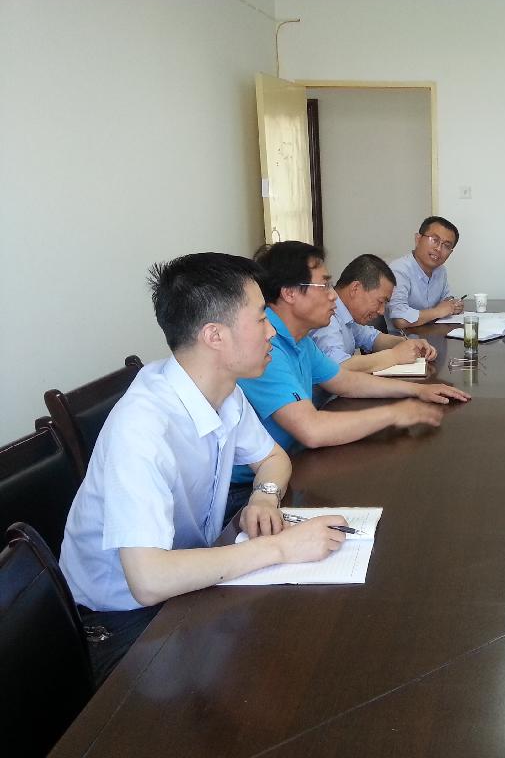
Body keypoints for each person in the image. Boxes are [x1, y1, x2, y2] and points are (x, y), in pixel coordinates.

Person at [59, 253, 350, 682]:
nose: (272, 330)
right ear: (215, 335)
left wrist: (264, 497)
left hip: (189, 573)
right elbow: (148, 579)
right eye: (260, 319)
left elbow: (272, 458)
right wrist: (282, 548)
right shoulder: (142, 427)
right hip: (121, 618)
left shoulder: (222, 390)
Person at [231, 241, 470, 493]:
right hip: (251, 487)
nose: (333, 295)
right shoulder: (265, 344)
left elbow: (345, 381)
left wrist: (417, 390)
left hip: (290, 463)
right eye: (324, 286)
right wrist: (394, 413)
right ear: (289, 293)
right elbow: (312, 430)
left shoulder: (300, 339)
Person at [310, 253, 437, 372]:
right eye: (380, 301)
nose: (382, 311)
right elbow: (337, 367)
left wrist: (408, 343)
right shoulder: (327, 316)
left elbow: (372, 338)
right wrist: (394, 356)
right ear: (355, 289)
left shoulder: (347, 315)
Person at [387, 216, 464, 330]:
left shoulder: (441, 270)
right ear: (418, 239)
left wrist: (453, 305)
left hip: (431, 334)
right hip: (402, 338)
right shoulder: (399, 270)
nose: (439, 249)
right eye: (434, 240)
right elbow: (399, 320)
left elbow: (446, 299)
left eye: (446, 246)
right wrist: (438, 311)